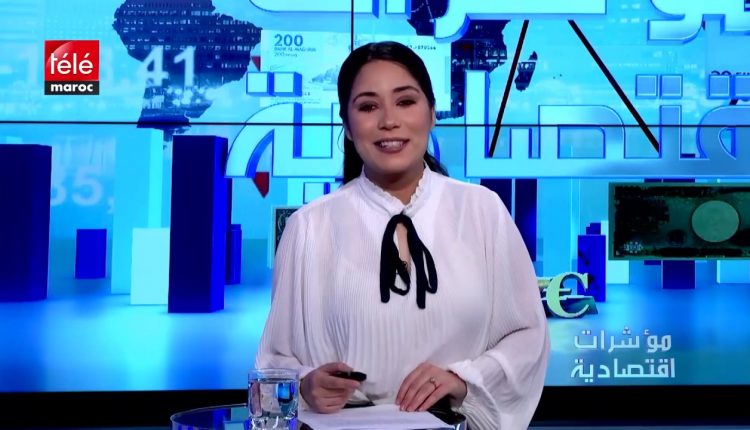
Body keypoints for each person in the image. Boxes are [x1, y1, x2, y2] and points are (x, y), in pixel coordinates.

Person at [255, 40, 550, 430]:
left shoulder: (483, 210)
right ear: (347, 126)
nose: (389, 121)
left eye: (405, 101)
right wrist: (305, 385)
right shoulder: (308, 227)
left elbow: (527, 335)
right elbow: (271, 367)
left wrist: (465, 381)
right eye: (368, 107)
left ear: (432, 113)